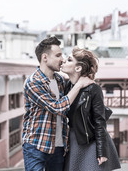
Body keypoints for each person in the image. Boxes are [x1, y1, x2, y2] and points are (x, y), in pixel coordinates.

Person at [22, 37, 93, 171]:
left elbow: (70, 106)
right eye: (58, 55)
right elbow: (57, 107)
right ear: (45, 57)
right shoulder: (33, 82)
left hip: (59, 147)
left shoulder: (60, 80)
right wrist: (79, 85)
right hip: (36, 145)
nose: (62, 59)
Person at [61, 47, 121, 170]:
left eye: (69, 60)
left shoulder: (93, 89)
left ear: (78, 68)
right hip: (73, 139)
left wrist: (101, 151)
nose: (63, 61)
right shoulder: (67, 86)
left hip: (90, 140)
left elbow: (100, 121)